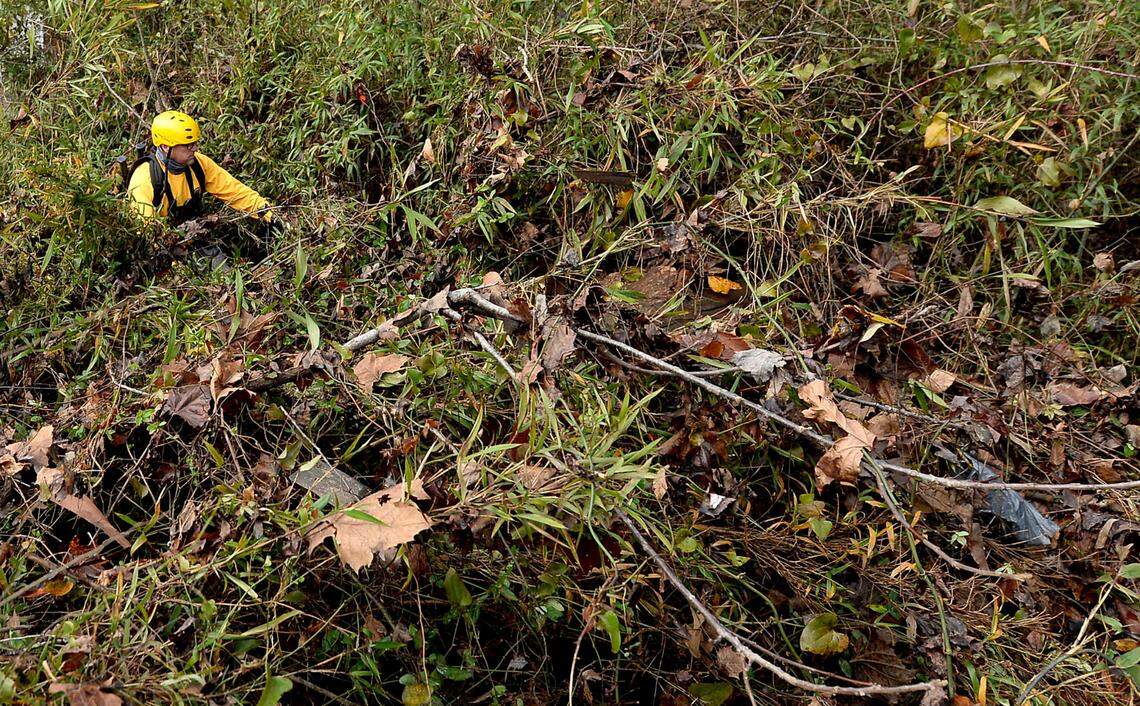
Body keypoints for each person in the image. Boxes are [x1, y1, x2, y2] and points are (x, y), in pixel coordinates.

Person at [127, 110, 278, 233]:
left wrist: (270, 214)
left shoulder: (199, 163)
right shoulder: (145, 179)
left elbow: (236, 192)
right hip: (165, 248)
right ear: (166, 147)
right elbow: (147, 230)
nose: (195, 149)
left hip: (195, 235)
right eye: (188, 145)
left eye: (195, 143)